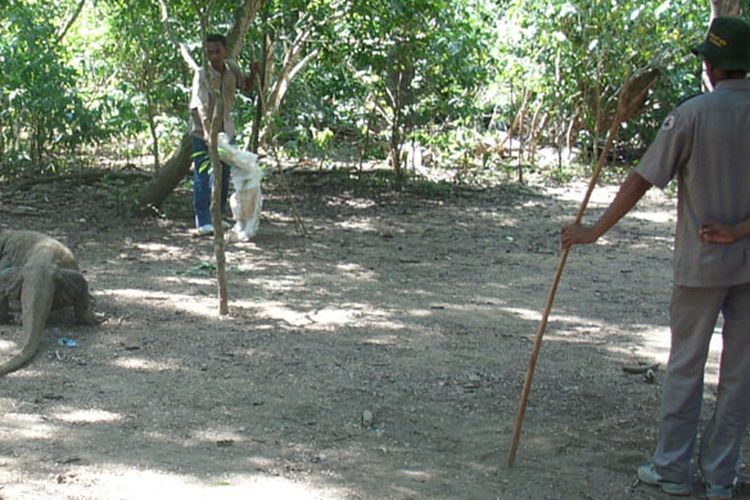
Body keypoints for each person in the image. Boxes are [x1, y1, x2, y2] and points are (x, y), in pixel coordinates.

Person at [561, 16, 750, 500]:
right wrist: (740, 230)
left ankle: (672, 469)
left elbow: (641, 180)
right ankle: (722, 478)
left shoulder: (691, 115)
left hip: (700, 267)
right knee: (739, 373)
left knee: (687, 365)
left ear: (710, 65)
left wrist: (593, 232)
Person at [189, 33, 258, 236]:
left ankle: (217, 216)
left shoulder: (232, 69)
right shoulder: (202, 74)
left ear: (225, 51)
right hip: (202, 131)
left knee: (224, 173)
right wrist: (209, 132)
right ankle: (203, 220)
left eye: (217, 51)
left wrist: (254, 73)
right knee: (202, 175)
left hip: (226, 129)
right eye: (209, 52)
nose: (213, 56)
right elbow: (200, 106)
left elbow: (245, 86)